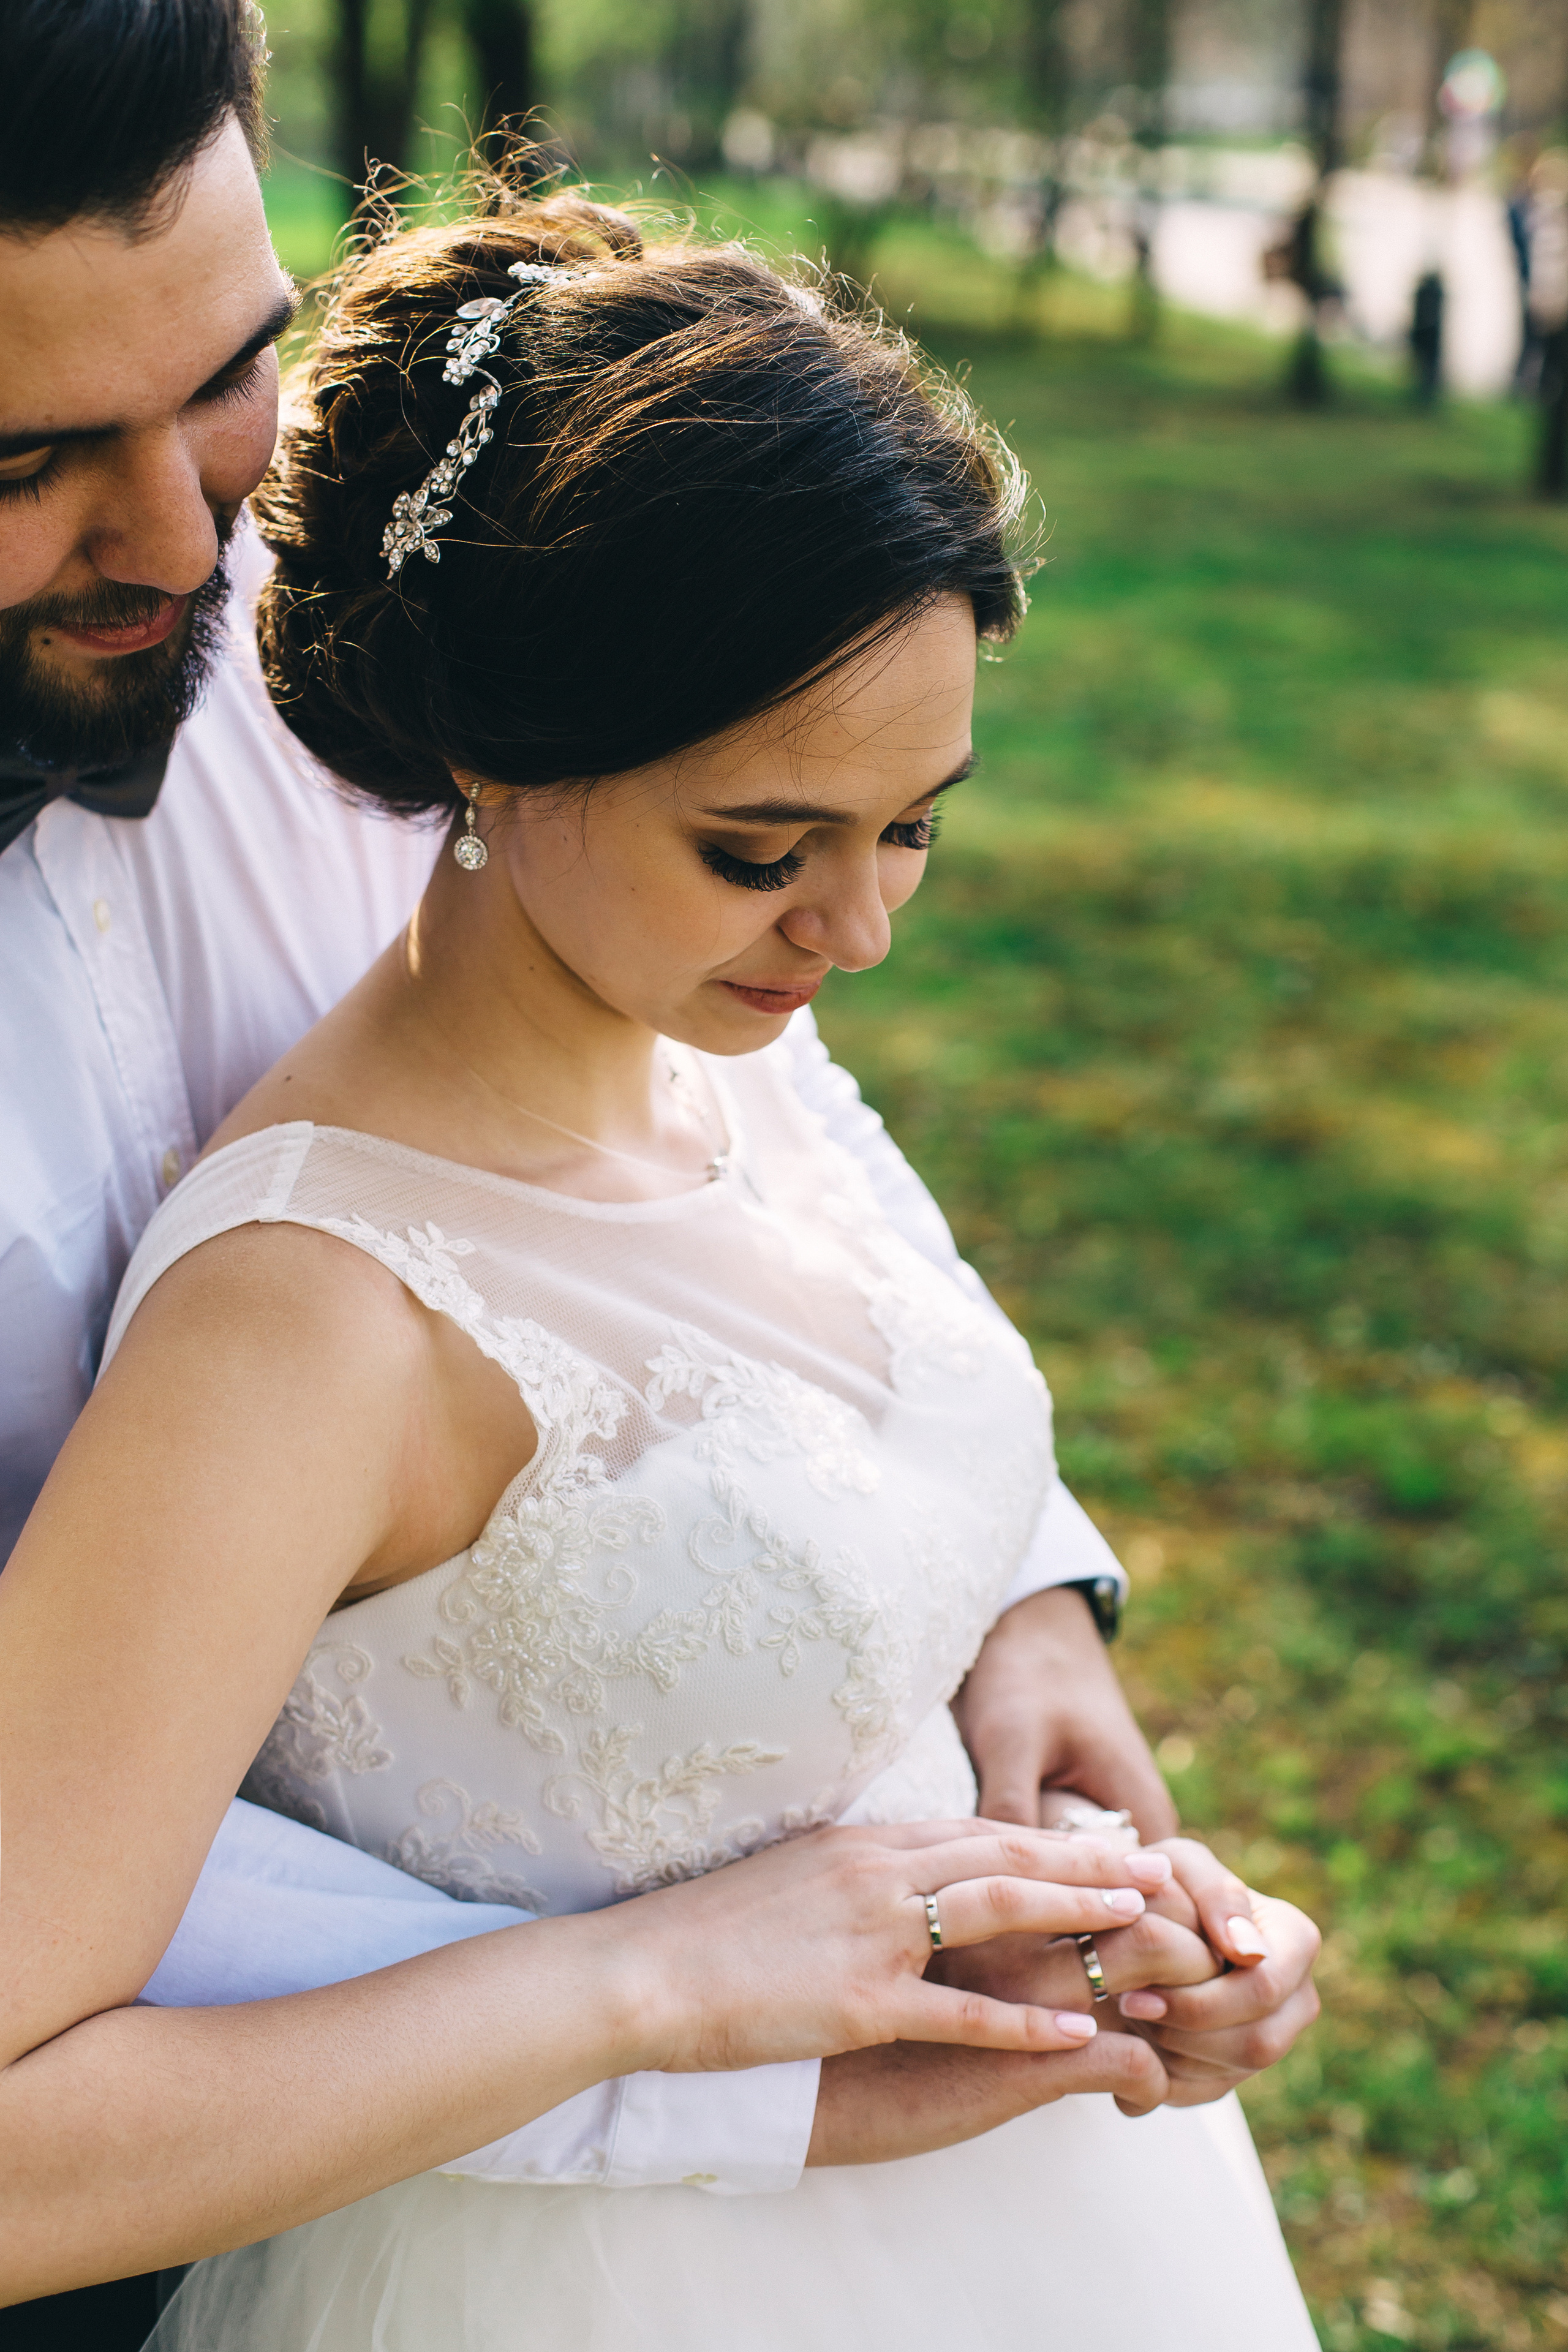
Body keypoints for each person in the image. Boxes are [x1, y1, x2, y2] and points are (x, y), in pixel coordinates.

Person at [0, 2, 1320, 2331]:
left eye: (227, 377)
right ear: (504, 779)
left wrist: (1002, 1608)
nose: (189, 519)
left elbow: (754, 1168)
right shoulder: (299, 1300)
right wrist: (667, 2004)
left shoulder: (454, 660)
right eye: (21, 459)